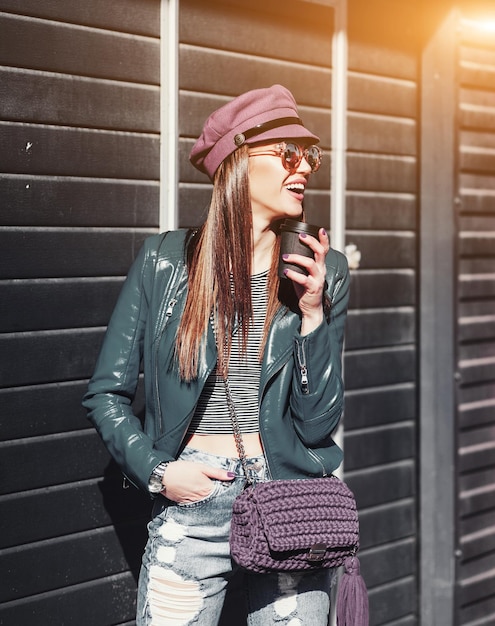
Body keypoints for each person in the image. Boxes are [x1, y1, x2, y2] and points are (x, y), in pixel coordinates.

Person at [83, 84, 350, 626]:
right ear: (236, 163)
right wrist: (160, 475)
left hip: (287, 499)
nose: (305, 168)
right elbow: (105, 395)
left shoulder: (321, 270)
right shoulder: (165, 262)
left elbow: (319, 423)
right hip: (194, 502)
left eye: (311, 156)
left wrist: (315, 314)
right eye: (288, 154)